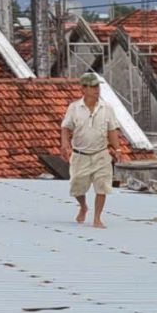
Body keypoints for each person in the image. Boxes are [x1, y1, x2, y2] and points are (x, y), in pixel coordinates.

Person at [60, 73, 120, 229]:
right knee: (77, 187)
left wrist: (117, 148)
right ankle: (83, 206)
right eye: (92, 87)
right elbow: (66, 127)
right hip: (80, 155)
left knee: (102, 186)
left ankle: (97, 218)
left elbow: (112, 130)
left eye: (97, 86)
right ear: (83, 89)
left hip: (101, 154)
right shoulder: (74, 108)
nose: (96, 90)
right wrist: (65, 144)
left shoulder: (107, 108)